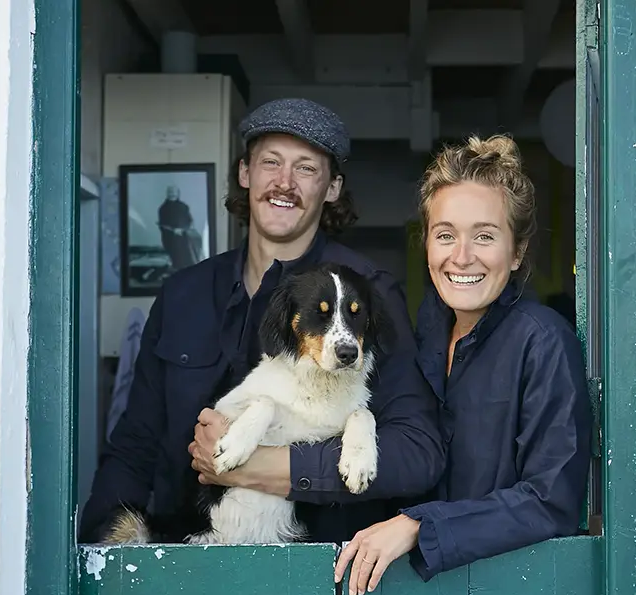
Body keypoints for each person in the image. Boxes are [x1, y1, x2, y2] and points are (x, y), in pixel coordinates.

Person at [79, 98, 446, 544]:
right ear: (244, 174)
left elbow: (418, 453)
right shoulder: (183, 294)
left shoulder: (368, 294)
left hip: (316, 572)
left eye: (306, 168)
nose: (284, 183)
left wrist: (273, 468)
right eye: (270, 162)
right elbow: (134, 446)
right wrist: (98, 550)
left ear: (332, 188)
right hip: (184, 559)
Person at [333, 134, 593, 595]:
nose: (462, 256)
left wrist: (420, 525)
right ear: (427, 246)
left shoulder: (544, 341)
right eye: (446, 235)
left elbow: (552, 501)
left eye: (485, 236)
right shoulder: (422, 338)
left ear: (516, 253)